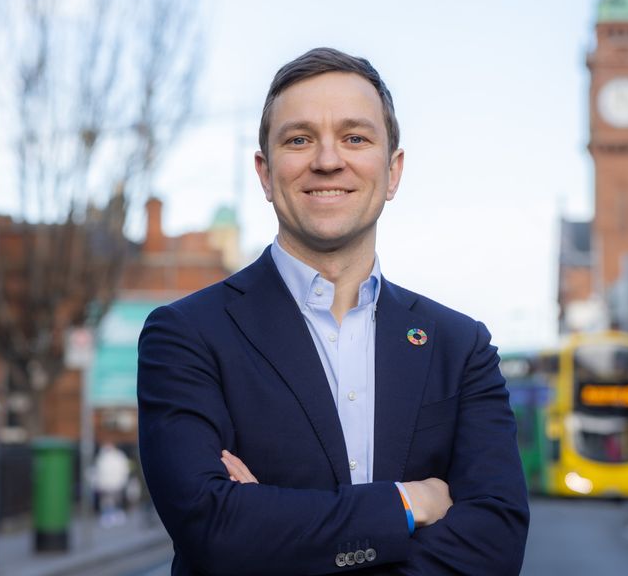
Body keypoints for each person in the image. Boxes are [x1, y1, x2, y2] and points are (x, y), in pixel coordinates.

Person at [138, 47, 530, 575]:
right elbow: (215, 531)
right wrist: (408, 504)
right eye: (299, 139)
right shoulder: (186, 335)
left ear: (392, 172)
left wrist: (276, 533)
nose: (327, 159)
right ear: (265, 173)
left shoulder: (460, 349)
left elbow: (496, 544)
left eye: (355, 138)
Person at [93, 442, 131, 528]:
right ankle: (112, 516)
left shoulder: (105, 457)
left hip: (112, 484)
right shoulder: (108, 457)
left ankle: (112, 516)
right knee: (110, 501)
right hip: (110, 484)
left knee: (112, 501)